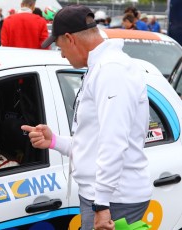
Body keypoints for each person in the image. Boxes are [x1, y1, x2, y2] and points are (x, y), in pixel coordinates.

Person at [22, 5, 151, 230]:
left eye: (59, 46)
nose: (61, 54)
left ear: (70, 39)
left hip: (114, 201)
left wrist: (101, 204)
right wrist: (54, 141)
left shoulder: (112, 70)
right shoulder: (101, 67)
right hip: (105, 197)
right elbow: (93, 143)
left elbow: (114, 142)